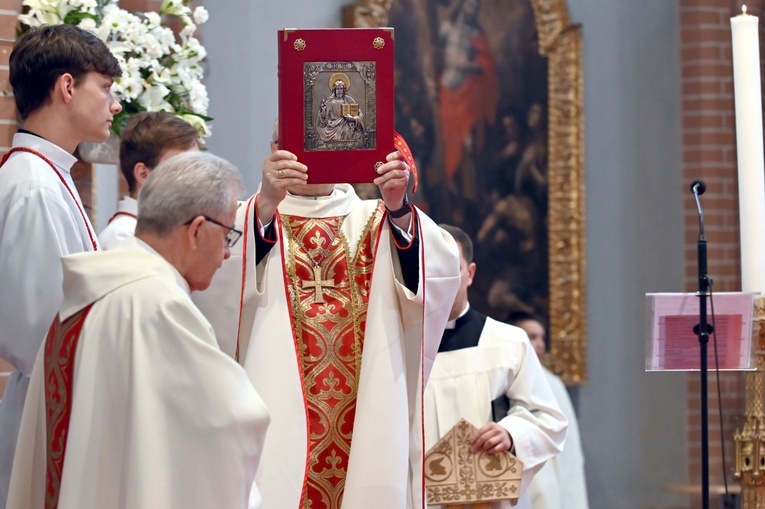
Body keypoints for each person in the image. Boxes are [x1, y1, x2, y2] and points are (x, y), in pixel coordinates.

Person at [193, 129, 461, 509]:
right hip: (274, 403)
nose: (317, 155)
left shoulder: (378, 218)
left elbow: (441, 271)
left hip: (367, 408)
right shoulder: (252, 217)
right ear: (275, 149)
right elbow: (212, 286)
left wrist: (400, 208)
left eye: (329, 144)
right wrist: (266, 203)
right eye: (302, 142)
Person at [7, 152, 270, 509]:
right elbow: (227, 427)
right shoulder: (157, 307)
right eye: (228, 236)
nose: (227, 254)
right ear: (195, 231)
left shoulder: (89, 294)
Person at [0, 24, 123, 507]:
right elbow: (41, 333)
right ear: (67, 87)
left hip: (60, 403)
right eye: (106, 88)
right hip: (53, 411)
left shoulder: (48, 175)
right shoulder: (33, 187)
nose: (114, 104)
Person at [424, 225, 567, 509]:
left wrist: (511, 434)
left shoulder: (508, 342)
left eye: (452, 267)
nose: (442, 278)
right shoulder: (401, 348)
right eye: (431, 267)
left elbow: (548, 419)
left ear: (470, 274)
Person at [508, 311, 589, 509]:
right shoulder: (505, 378)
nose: (540, 344)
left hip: (554, 474)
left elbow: (569, 443)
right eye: (531, 337)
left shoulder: (553, 383)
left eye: (542, 338)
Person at [98, 111, 200, 249]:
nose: (194, 178)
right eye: (179, 168)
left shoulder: (165, 230)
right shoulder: (123, 237)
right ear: (143, 174)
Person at [316, 73, 365, 146]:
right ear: (334, 90)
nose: (339, 91)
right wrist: (323, 111)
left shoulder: (349, 100)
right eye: (337, 89)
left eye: (341, 88)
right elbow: (323, 120)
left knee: (349, 132)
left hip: (347, 127)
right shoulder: (330, 102)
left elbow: (360, 115)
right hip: (332, 128)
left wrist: (353, 119)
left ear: (344, 90)